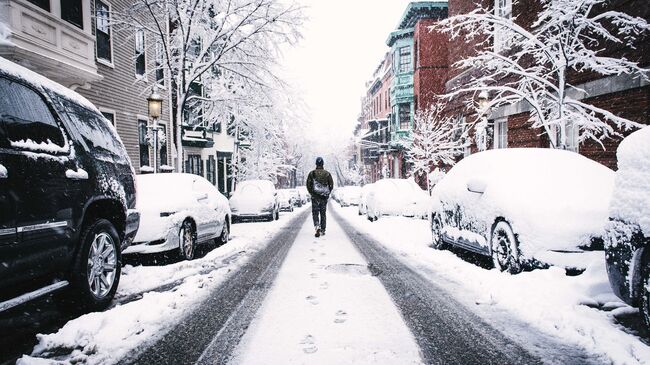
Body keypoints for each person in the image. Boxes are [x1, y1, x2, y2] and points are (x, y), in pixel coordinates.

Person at [306, 157, 334, 237]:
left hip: (315, 197)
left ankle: (317, 226)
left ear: (316, 164)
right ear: (323, 164)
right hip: (323, 197)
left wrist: (312, 193)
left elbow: (308, 185)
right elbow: (331, 185)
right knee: (323, 213)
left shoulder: (312, 173)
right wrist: (327, 193)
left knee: (315, 213)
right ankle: (323, 229)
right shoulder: (327, 173)